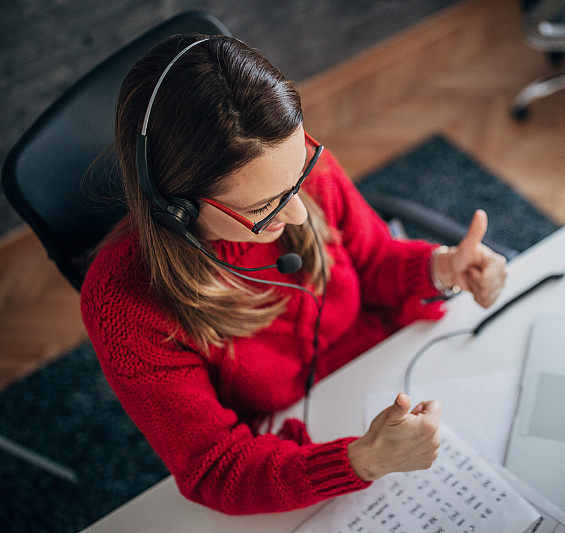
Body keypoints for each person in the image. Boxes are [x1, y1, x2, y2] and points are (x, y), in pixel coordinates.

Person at [80, 33, 507, 515]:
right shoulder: (124, 303)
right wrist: (359, 462)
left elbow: (374, 260)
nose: (302, 215)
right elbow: (214, 467)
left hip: (386, 374)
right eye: (265, 207)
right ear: (175, 207)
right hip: (286, 453)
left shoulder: (285, 161)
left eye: (299, 177)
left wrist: (440, 269)